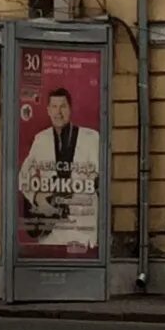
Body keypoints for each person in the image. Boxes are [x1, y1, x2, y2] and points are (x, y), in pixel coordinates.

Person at [16, 86, 102, 249]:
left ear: (70, 109)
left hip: (82, 226)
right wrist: (37, 197)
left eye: (63, 106)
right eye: (54, 107)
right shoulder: (41, 139)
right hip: (51, 230)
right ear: (48, 110)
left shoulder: (92, 137)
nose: (58, 112)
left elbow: (98, 176)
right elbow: (22, 177)